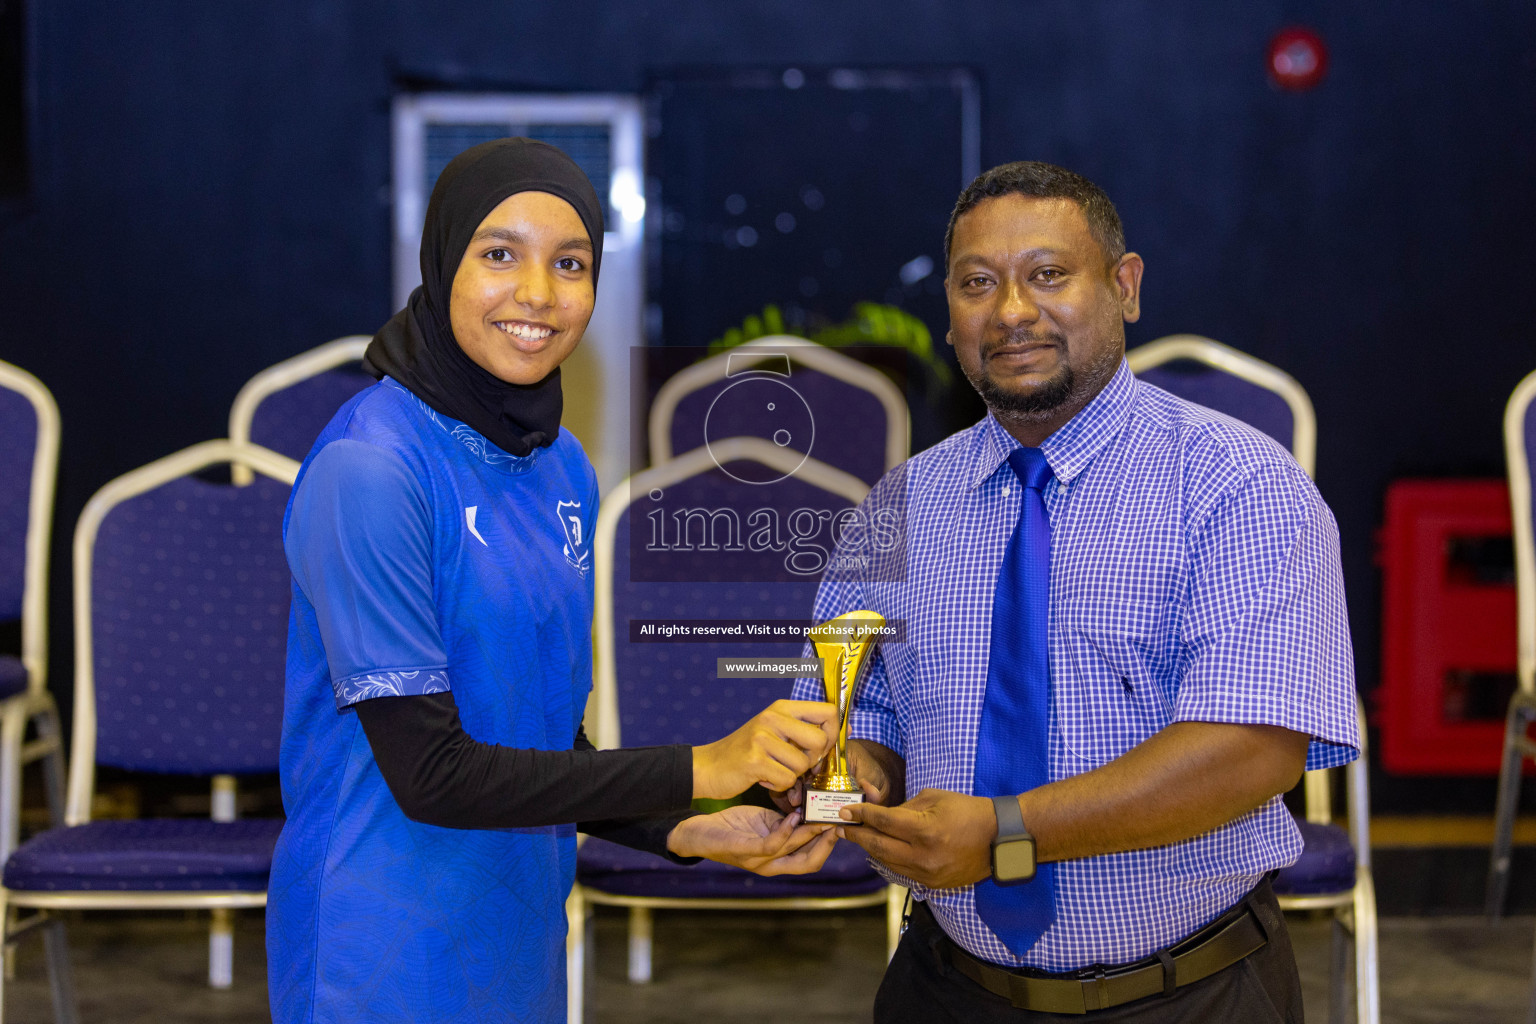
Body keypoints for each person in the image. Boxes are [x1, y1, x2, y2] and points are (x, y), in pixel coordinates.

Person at [267, 138, 838, 1024]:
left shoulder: (560, 465)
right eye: (500, 254)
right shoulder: (369, 469)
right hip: (377, 949)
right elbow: (435, 775)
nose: (538, 294)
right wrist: (702, 766)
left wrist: (685, 828)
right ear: (441, 260)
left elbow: (535, 736)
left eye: (569, 264)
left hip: (517, 932)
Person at [796, 160, 1358, 1021]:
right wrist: (860, 769)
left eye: (1048, 275)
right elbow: (856, 712)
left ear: (1125, 287)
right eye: (978, 283)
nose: (1012, 311)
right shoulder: (897, 506)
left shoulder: (1241, 486)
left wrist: (1003, 834)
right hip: (947, 989)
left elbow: (1253, 750)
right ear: (949, 313)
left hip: (1187, 992)